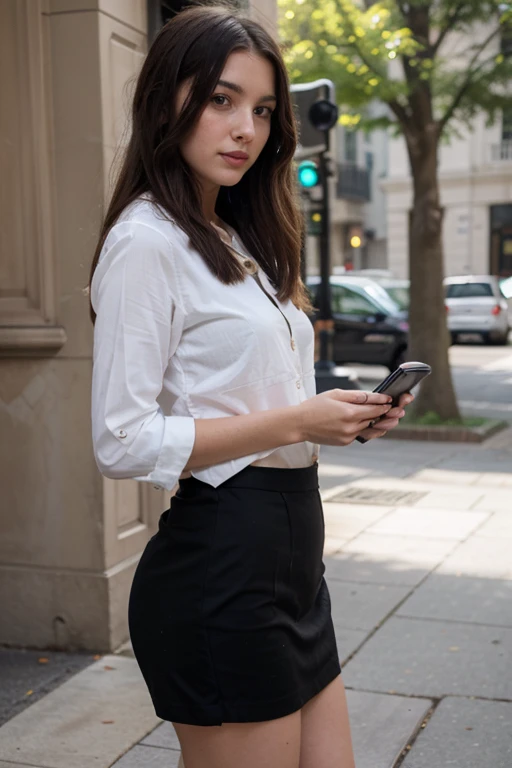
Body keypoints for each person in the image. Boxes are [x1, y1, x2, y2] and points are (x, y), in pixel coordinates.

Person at [88, 5, 413, 767]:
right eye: (222, 99)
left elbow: (262, 399)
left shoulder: (240, 236)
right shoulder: (146, 242)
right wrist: (297, 421)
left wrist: (343, 419)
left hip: (296, 558)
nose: (247, 128)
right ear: (168, 99)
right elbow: (119, 439)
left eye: (263, 110)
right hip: (222, 562)